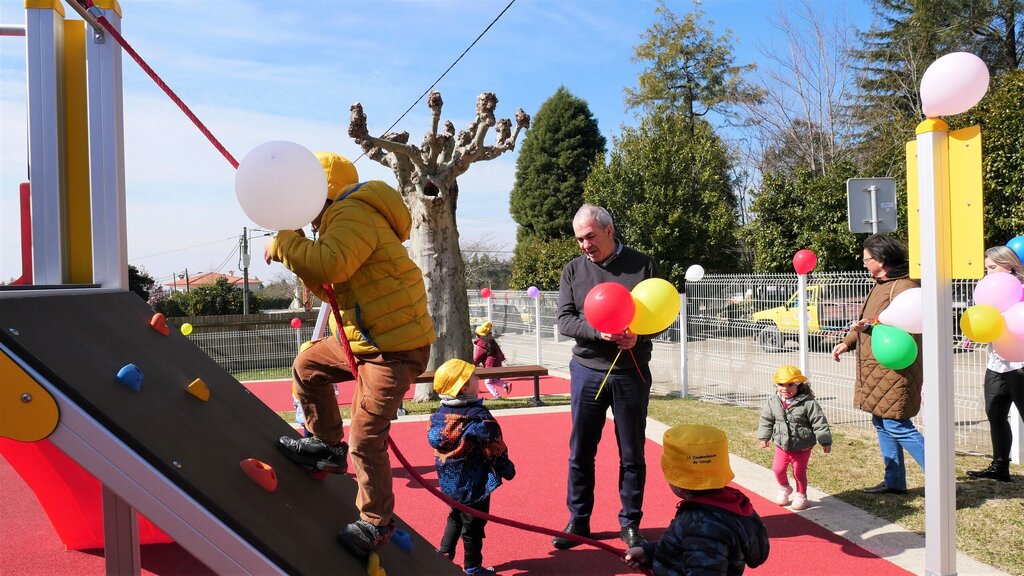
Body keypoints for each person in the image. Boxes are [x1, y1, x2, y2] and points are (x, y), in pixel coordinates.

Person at [264, 152, 435, 558]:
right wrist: (297, 247)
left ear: (321, 192)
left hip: (393, 349)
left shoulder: (352, 212)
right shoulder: (343, 219)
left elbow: (333, 265)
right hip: (367, 338)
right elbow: (329, 285)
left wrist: (286, 240)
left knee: (366, 434)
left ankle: (376, 522)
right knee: (308, 365)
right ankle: (326, 445)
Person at [552, 203, 658, 550]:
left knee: (632, 453)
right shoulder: (572, 270)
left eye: (590, 237)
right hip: (586, 371)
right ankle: (578, 521)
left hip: (631, 372)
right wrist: (600, 332)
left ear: (609, 231)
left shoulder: (643, 264)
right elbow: (565, 320)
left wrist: (638, 336)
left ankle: (631, 524)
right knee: (580, 451)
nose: (585, 245)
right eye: (580, 239)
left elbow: (659, 314)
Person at [831, 233, 924, 495]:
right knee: (881, 422)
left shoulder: (904, 287)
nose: (864, 263)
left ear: (881, 260)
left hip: (895, 369)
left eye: (867, 259)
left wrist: (873, 325)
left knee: (897, 423)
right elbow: (870, 321)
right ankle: (894, 482)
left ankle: (943, 478)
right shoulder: (881, 283)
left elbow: (907, 323)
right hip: (875, 368)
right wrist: (847, 342)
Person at [623, 424, 770, 575]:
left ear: (678, 483)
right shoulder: (734, 506)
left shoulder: (700, 526)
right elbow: (687, 547)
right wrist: (648, 552)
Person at [428, 359, 516, 576]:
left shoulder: (440, 415)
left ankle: (444, 553)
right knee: (474, 526)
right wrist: (507, 469)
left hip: (450, 483)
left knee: (455, 516)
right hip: (473, 484)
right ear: (465, 388)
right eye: (474, 377)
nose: (479, 379)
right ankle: (473, 567)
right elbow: (495, 448)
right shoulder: (479, 419)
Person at [967, 246, 1024, 482]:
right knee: (995, 414)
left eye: (992, 268)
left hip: (1020, 363)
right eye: (986, 269)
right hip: (997, 362)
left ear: (1008, 267)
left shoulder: (1019, 290)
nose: (988, 273)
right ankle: (1000, 466)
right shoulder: (989, 291)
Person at [757, 365, 832, 511]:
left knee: (799, 472)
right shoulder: (772, 402)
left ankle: (801, 495)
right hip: (782, 445)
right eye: (781, 384)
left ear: (799, 385)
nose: (785, 388)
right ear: (776, 385)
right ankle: (785, 487)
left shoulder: (808, 403)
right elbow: (766, 420)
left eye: (790, 384)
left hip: (802, 445)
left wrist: (825, 440)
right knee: (778, 469)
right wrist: (763, 437)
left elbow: (819, 421)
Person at [473, 321, 510, 399]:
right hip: (497, 363)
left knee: (487, 382)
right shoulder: (491, 341)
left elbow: (478, 356)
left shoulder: (481, 344)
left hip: (489, 365)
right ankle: (505, 384)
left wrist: (474, 364)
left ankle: (496, 396)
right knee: (491, 381)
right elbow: (499, 351)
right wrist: (502, 358)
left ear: (479, 335)